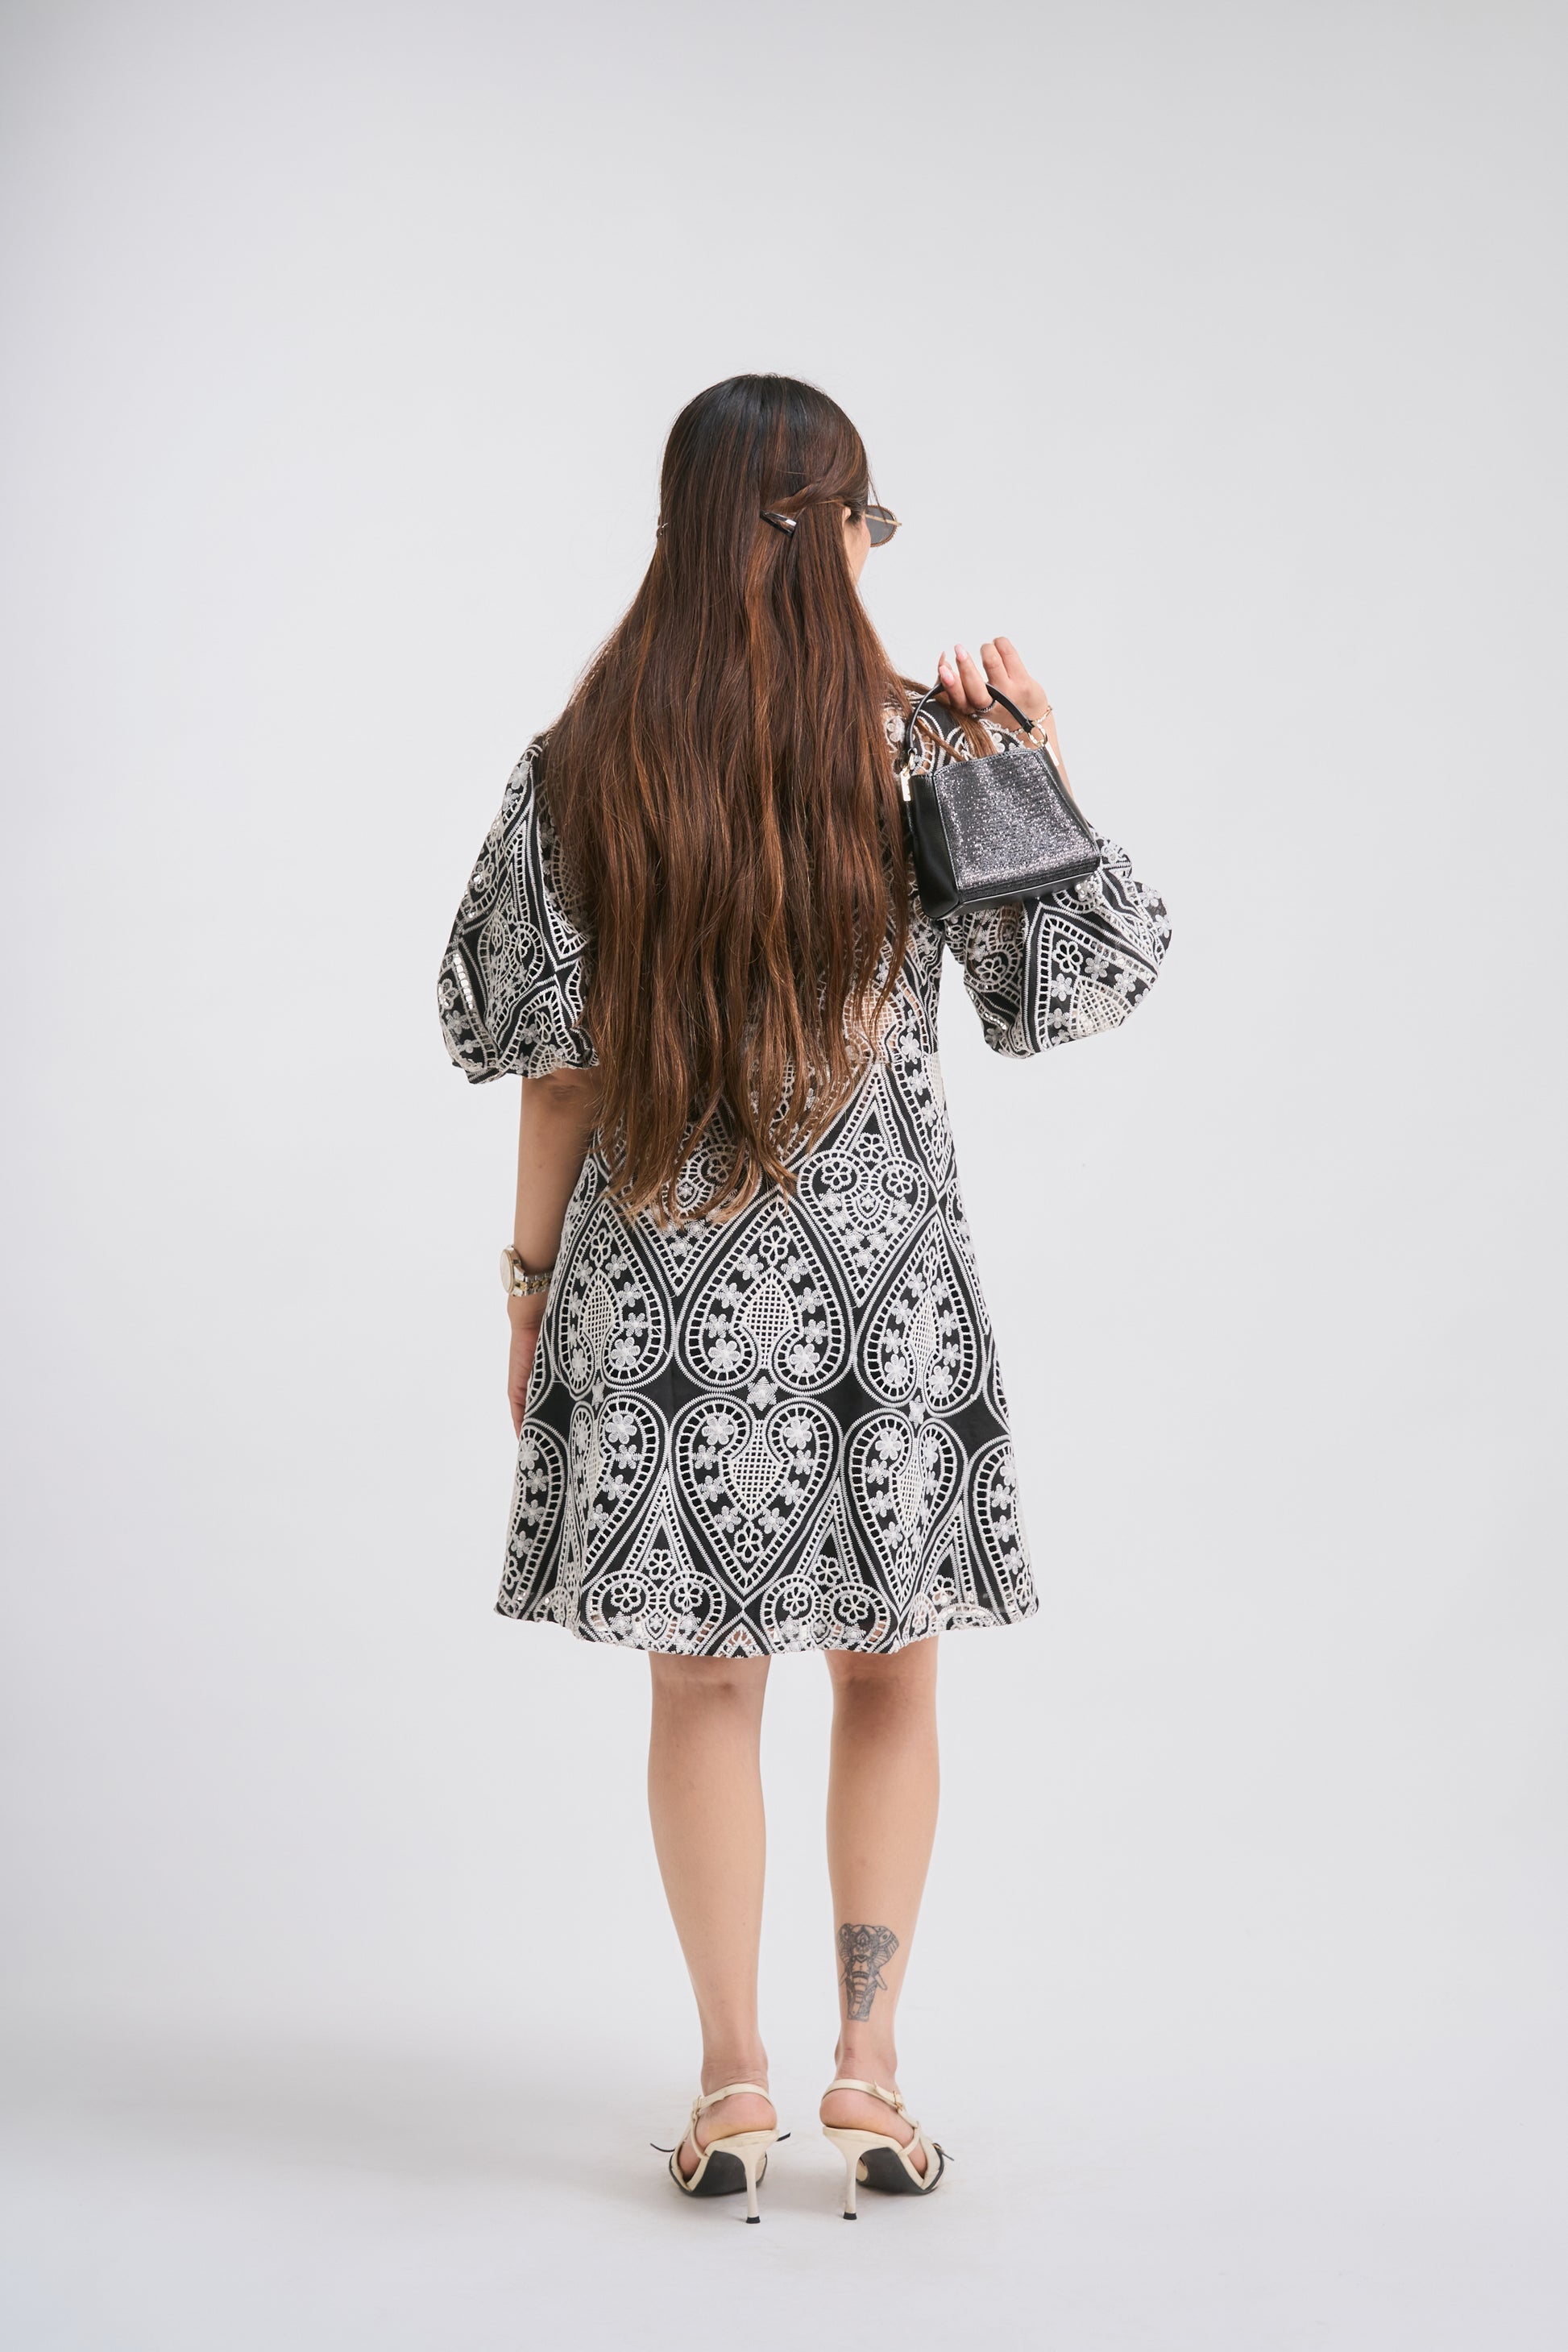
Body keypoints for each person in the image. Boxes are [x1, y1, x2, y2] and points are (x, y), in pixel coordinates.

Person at [437, 373, 1172, 2222]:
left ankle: (730, 2077)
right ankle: (871, 2058)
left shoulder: (587, 759)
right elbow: (1065, 993)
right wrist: (1030, 769)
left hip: (655, 1281)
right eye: (866, 520)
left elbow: (547, 1066)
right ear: (835, 525)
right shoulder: (925, 744)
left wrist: (527, 1286)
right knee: (888, 1666)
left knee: (703, 1681)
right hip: (878, 1292)